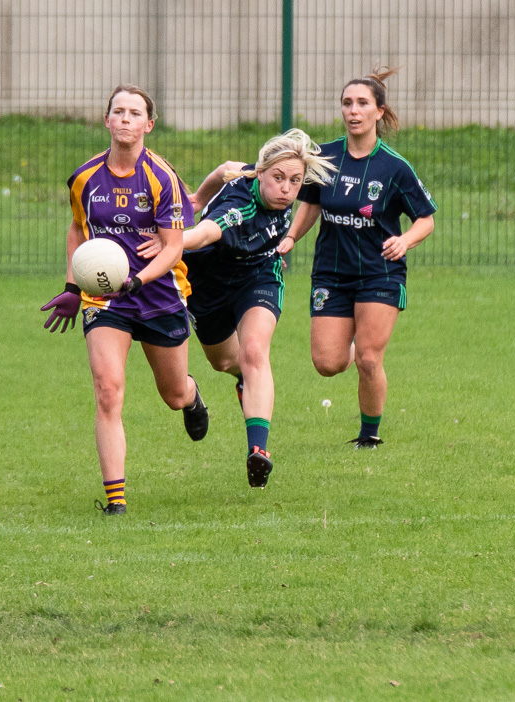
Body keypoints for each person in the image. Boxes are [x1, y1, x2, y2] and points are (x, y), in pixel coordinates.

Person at [41, 84, 209, 516]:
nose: (126, 119)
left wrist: (137, 280)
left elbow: (174, 247)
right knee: (107, 391)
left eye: (136, 113)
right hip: (105, 301)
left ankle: (191, 397)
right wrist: (73, 287)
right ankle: (116, 500)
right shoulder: (84, 177)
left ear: (148, 125)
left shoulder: (162, 178)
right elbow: (78, 230)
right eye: (119, 111)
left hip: (158, 296)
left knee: (171, 393)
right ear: (107, 120)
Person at [276, 67, 436, 448]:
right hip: (331, 273)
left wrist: (406, 241)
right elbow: (312, 204)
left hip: (380, 273)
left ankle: (369, 435)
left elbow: (425, 220)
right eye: (347, 103)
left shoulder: (394, 167)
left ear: (379, 111)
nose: (353, 110)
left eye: (363, 103)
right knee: (327, 363)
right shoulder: (325, 157)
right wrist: (291, 237)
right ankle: (358, 343)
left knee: (368, 360)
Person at [179, 129, 336, 488]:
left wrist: (197, 197)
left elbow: (223, 168)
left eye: (295, 181)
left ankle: (258, 452)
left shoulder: (258, 176)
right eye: (278, 178)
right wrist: (174, 236)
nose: (286, 189)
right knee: (224, 362)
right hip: (208, 286)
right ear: (260, 173)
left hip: (259, 277)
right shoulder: (240, 208)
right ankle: (239, 382)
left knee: (254, 352)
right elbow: (203, 234)